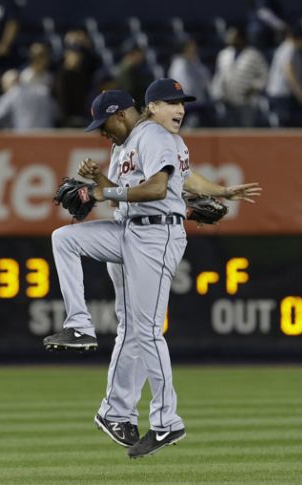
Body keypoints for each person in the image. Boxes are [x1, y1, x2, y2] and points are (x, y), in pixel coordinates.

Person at [44, 80, 261, 458]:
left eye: (179, 103)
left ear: (129, 113)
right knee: (66, 238)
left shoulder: (153, 134)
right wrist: (99, 181)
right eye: (172, 102)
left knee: (145, 331)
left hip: (155, 237)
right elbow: (175, 181)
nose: (180, 109)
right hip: (130, 230)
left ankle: (166, 423)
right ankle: (82, 333)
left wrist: (101, 192)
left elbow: (161, 187)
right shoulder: (126, 145)